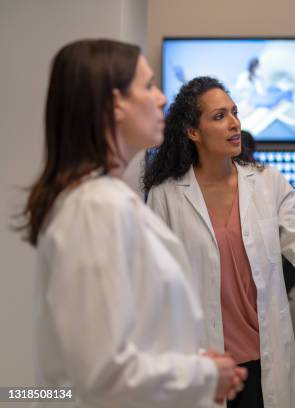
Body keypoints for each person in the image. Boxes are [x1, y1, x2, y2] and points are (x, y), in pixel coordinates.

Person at [17, 39, 246, 407]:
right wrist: (201, 375)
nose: (160, 99)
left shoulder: (106, 199)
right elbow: (102, 373)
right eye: (149, 85)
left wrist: (192, 362)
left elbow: (129, 338)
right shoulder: (94, 208)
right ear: (115, 104)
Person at [143, 76, 295, 408]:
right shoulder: (166, 196)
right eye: (219, 116)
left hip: (264, 358)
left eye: (234, 112)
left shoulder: (268, 182)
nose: (234, 123)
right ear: (193, 131)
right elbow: (152, 285)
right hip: (202, 360)